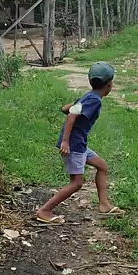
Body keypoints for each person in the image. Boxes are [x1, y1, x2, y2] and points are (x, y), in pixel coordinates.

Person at [36, 61, 124, 225]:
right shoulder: (94, 100)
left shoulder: (88, 97)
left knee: (102, 166)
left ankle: (104, 205)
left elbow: (66, 109)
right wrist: (65, 141)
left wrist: (75, 106)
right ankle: (44, 210)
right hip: (73, 145)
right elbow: (71, 116)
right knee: (76, 183)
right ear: (109, 85)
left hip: (79, 144)